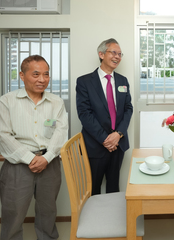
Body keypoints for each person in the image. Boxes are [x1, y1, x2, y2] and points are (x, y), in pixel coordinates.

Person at [0, 55, 68, 240]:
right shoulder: (6, 101)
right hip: (17, 167)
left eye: (46, 74)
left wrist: (47, 157)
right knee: (13, 215)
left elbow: (61, 132)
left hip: (49, 164)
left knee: (48, 213)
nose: (42, 79)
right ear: (22, 75)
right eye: (35, 74)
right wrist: (30, 159)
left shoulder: (56, 102)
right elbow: (4, 136)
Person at [76, 38, 133, 195]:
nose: (117, 57)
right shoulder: (84, 82)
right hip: (95, 145)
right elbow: (84, 113)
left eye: (120, 54)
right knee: (93, 188)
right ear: (101, 54)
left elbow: (128, 109)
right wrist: (106, 139)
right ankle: (94, 220)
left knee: (114, 187)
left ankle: (113, 219)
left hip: (118, 144)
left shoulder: (123, 81)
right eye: (113, 52)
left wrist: (118, 134)